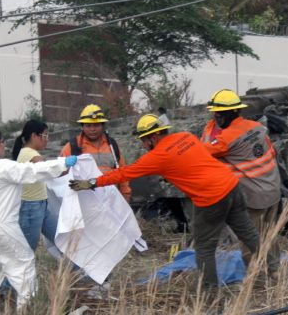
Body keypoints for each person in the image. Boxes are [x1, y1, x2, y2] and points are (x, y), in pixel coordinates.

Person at [68, 114, 261, 287]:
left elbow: (123, 174)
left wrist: (91, 183)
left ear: (153, 137)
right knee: (248, 232)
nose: (143, 145)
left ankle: (210, 291)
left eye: (144, 140)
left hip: (211, 198)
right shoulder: (186, 137)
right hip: (232, 185)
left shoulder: (157, 156)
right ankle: (274, 268)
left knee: (204, 248)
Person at [0, 129, 78, 315]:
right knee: (23, 266)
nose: (4, 146)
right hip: (2, 226)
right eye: (3, 142)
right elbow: (31, 172)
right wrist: (63, 163)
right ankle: (28, 314)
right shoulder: (0, 167)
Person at [201, 89, 282, 273]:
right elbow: (272, 153)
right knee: (270, 234)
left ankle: (255, 277)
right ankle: (275, 271)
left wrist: (208, 131)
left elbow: (202, 153)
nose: (216, 118)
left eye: (218, 114)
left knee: (249, 238)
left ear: (229, 114)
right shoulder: (257, 127)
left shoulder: (227, 138)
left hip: (253, 197)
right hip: (273, 190)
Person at [61, 104, 131, 203]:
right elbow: (61, 174)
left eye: (96, 125)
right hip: (85, 203)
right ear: (82, 126)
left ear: (102, 125)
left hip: (111, 201)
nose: (92, 129)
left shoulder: (112, 146)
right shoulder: (72, 147)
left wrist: (125, 194)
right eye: (88, 125)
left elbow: (122, 173)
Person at [11, 119, 59, 252]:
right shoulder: (29, 153)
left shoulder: (29, 153)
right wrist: (66, 166)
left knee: (62, 241)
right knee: (26, 250)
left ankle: (79, 272)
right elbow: (47, 170)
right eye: (44, 136)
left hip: (41, 206)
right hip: (31, 208)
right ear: (34, 136)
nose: (47, 139)